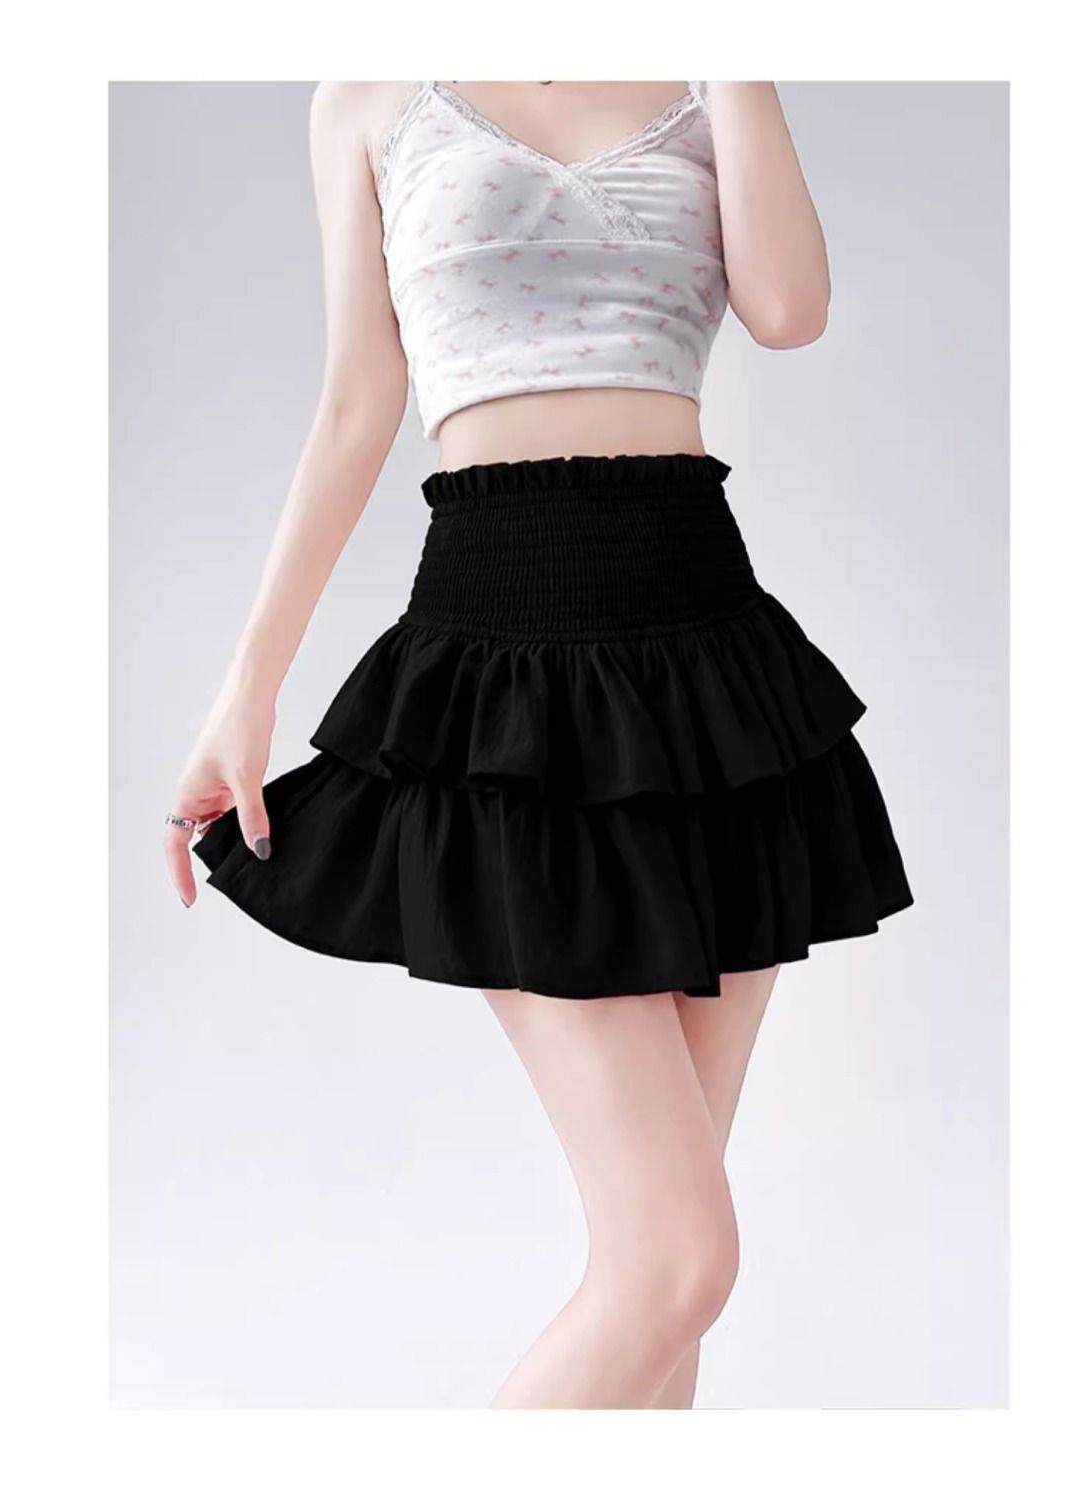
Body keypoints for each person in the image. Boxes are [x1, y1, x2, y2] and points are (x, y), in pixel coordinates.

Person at [163, 81, 912, 1409]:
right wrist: (247, 691)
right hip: (503, 672)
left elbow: (790, 311)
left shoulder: (711, 81)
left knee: (667, 1284)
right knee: (676, 1264)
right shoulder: (373, 95)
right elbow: (357, 403)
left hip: (707, 673)